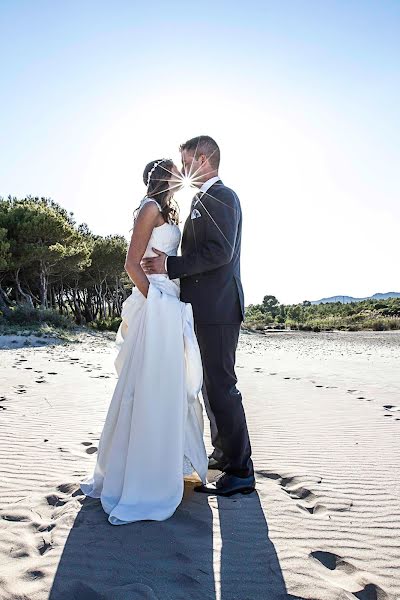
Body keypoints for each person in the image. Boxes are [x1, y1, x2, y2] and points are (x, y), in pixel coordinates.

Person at [80, 158, 208, 524]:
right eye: (173, 173)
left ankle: (168, 463)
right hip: (156, 305)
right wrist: (157, 300)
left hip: (169, 304)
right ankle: (142, 477)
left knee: (168, 384)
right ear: (164, 179)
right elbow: (131, 263)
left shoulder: (168, 210)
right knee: (149, 384)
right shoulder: (150, 208)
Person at [142, 136, 255, 496]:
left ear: (202, 159)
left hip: (219, 309)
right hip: (203, 308)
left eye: (186, 159)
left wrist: (169, 265)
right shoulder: (203, 198)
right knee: (209, 386)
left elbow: (219, 252)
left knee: (222, 387)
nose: (183, 166)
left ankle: (241, 471)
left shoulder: (223, 196)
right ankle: (223, 453)